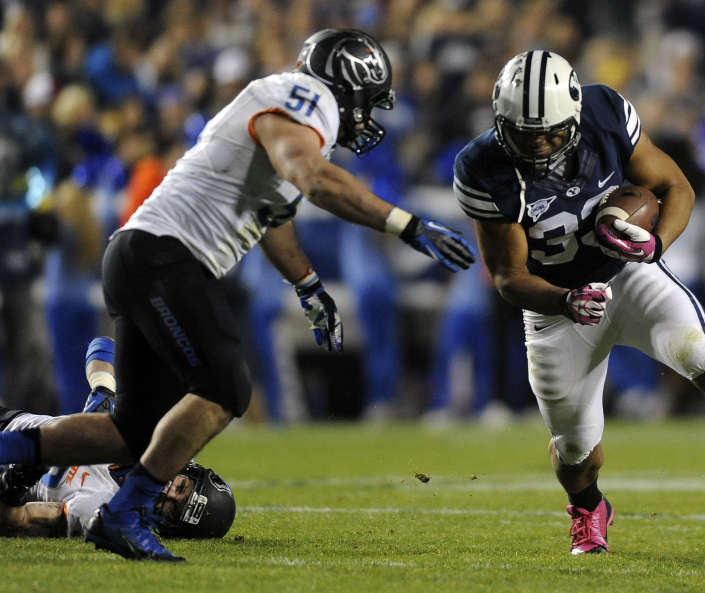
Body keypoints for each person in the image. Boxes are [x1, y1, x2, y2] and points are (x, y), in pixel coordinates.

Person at [0, 28, 475, 561]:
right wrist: (404, 224)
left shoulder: (286, 121)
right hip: (166, 257)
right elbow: (314, 180)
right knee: (226, 388)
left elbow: (272, 217)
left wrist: (308, 285)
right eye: (369, 102)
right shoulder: (307, 99)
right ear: (346, 86)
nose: (368, 118)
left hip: (144, 256)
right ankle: (125, 512)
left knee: (130, 432)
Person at [453, 50, 705, 555]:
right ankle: (588, 506)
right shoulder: (482, 167)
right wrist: (566, 299)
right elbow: (509, 276)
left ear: (574, 115)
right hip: (556, 307)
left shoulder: (604, 114)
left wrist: (656, 244)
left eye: (549, 132)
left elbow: (675, 185)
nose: (536, 145)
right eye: (523, 132)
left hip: (630, 276)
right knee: (576, 449)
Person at [0, 337, 235, 540]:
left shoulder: (99, 511)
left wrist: (16, 481)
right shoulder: (148, 432)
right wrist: (103, 389)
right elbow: (105, 344)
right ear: (187, 469)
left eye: (173, 509)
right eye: (182, 487)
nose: (169, 493)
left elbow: (15, 521)